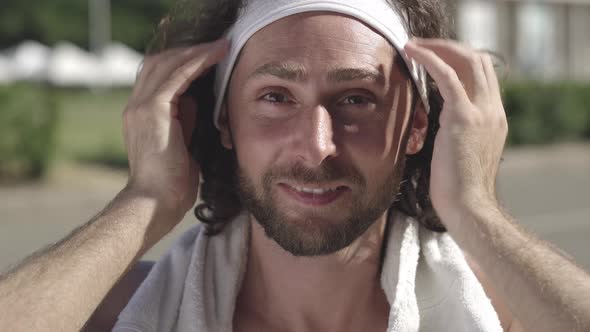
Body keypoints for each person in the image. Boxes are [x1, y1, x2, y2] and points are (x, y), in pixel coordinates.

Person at [1, 0, 590, 331]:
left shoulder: (503, 311)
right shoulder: (119, 309)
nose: (316, 148)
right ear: (223, 121)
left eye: (356, 98)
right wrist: (145, 200)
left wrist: (476, 212)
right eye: (276, 98)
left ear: (416, 126)